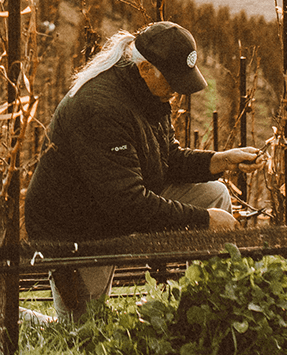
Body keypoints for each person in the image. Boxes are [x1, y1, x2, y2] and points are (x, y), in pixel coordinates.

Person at [23, 20, 259, 321]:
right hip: (75, 227)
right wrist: (201, 220)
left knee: (214, 194)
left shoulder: (150, 93)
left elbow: (165, 158)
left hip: (111, 207)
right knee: (81, 332)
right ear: (146, 67)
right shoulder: (101, 108)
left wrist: (220, 160)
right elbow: (128, 205)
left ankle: (208, 311)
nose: (176, 91)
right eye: (171, 80)